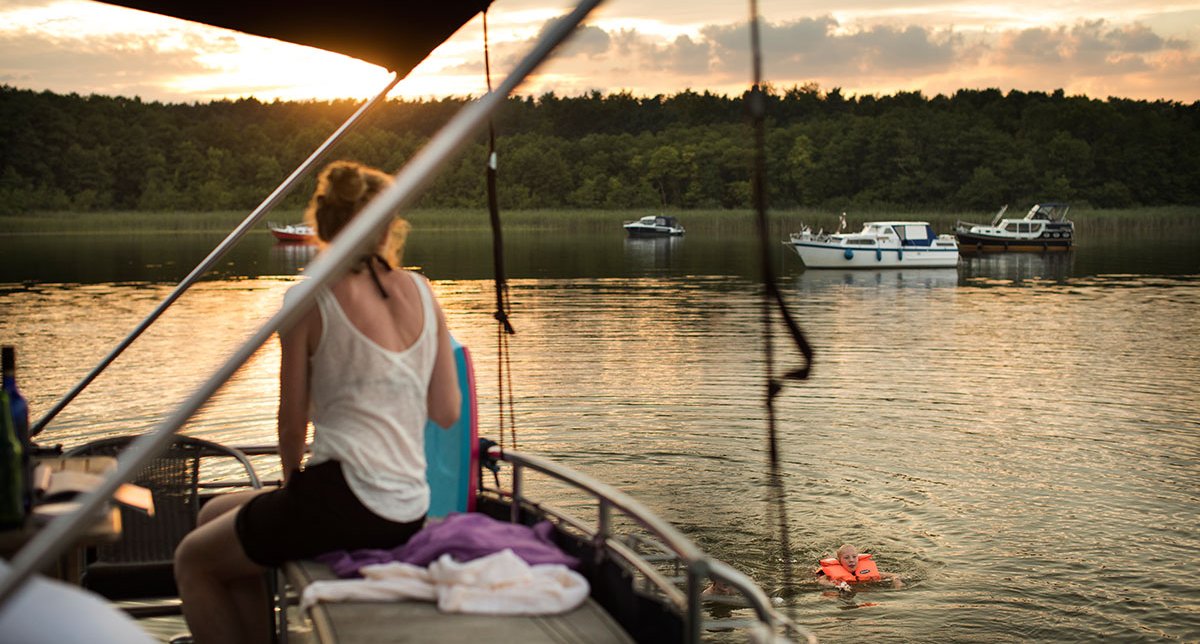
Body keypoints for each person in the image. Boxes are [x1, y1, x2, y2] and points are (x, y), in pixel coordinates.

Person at [173, 160, 461, 644]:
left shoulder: (308, 300)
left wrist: (291, 488)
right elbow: (446, 411)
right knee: (213, 514)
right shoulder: (422, 291)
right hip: (408, 504)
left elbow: (291, 424)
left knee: (193, 560)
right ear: (388, 225)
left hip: (345, 501)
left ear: (324, 225)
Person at [815, 544, 903, 594]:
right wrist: (837, 586)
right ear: (839, 561)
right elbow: (821, 581)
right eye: (846, 558)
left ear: (858, 558)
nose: (851, 560)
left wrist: (897, 581)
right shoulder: (831, 573)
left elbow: (895, 575)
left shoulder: (866, 571)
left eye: (854, 557)